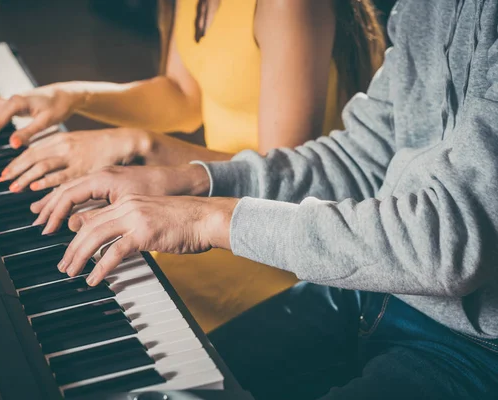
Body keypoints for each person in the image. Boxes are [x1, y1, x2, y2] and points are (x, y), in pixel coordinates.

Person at [25, 0, 498, 398]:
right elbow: (362, 159)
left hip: (473, 341)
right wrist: (193, 180)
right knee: (160, 383)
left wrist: (204, 218)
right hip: (379, 286)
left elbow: (446, 245)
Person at [0, 0, 386, 331]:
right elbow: (184, 95)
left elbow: (286, 174)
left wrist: (135, 144)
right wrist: (72, 96)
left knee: (106, 304)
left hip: (267, 237)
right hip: (206, 199)